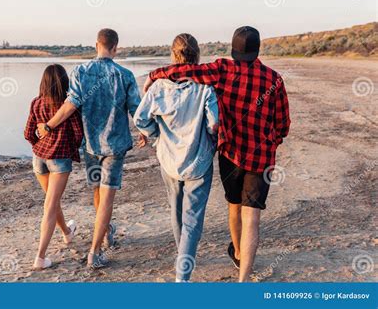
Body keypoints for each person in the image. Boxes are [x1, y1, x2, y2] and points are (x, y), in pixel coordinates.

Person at [144, 26, 291, 282]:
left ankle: (236, 252)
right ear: (258, 49)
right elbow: (283, 125)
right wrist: (271, 142)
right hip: (261, 159)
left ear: (233, 49)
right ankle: (244, 278)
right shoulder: (274, 79)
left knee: (234, 208)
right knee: (252, 219)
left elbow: (185, 70)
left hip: (231, 155)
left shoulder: (223, 69)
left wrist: (154, 75)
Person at [37, 28, 147, 269]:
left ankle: (105, 233)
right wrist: (144, 131)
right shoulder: (125, 75)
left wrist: (48, 126)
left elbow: (70, 105)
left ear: (96, 45)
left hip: (90, 145)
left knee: (97, 191)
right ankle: (95, 251)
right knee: (106, 197)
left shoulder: (81, 71)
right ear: (115, 48)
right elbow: (136, 110)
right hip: (115, 146)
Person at [134, 34, 218, 282]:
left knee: (176, 209)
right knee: (192, 218)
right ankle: (183, 274)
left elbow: (140, 119)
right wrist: (211, 142)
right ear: (197, 55)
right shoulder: (205, 88)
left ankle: (183, 255)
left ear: (173, 54)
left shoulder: (159, 87)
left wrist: (156, 135)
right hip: (198, 160)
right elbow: (214, 124)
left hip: (169, 159)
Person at [24, 64, 83, 270]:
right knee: (50, 205)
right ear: (65, 81)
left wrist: (40, 145)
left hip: (38, 158)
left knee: (52, 200)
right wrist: (67, 149)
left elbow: (28, 133)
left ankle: (67, 233)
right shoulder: (68, 106)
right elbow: (78, 134)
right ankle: (40, 257)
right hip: (58, 159)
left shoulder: (36, 103)